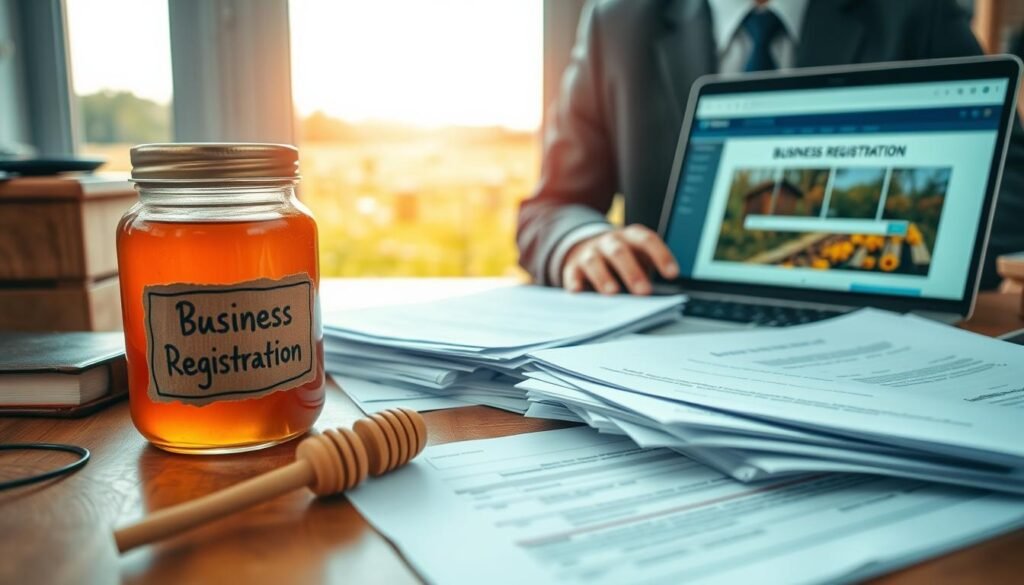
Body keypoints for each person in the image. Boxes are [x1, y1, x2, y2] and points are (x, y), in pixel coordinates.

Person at [517, 0, 1024, 295]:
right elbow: (552, 207)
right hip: (666, 324)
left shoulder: (916, 12)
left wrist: (903, 263)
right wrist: (580, 241)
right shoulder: (619, 18)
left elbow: (1010, 186)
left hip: (874, 318)